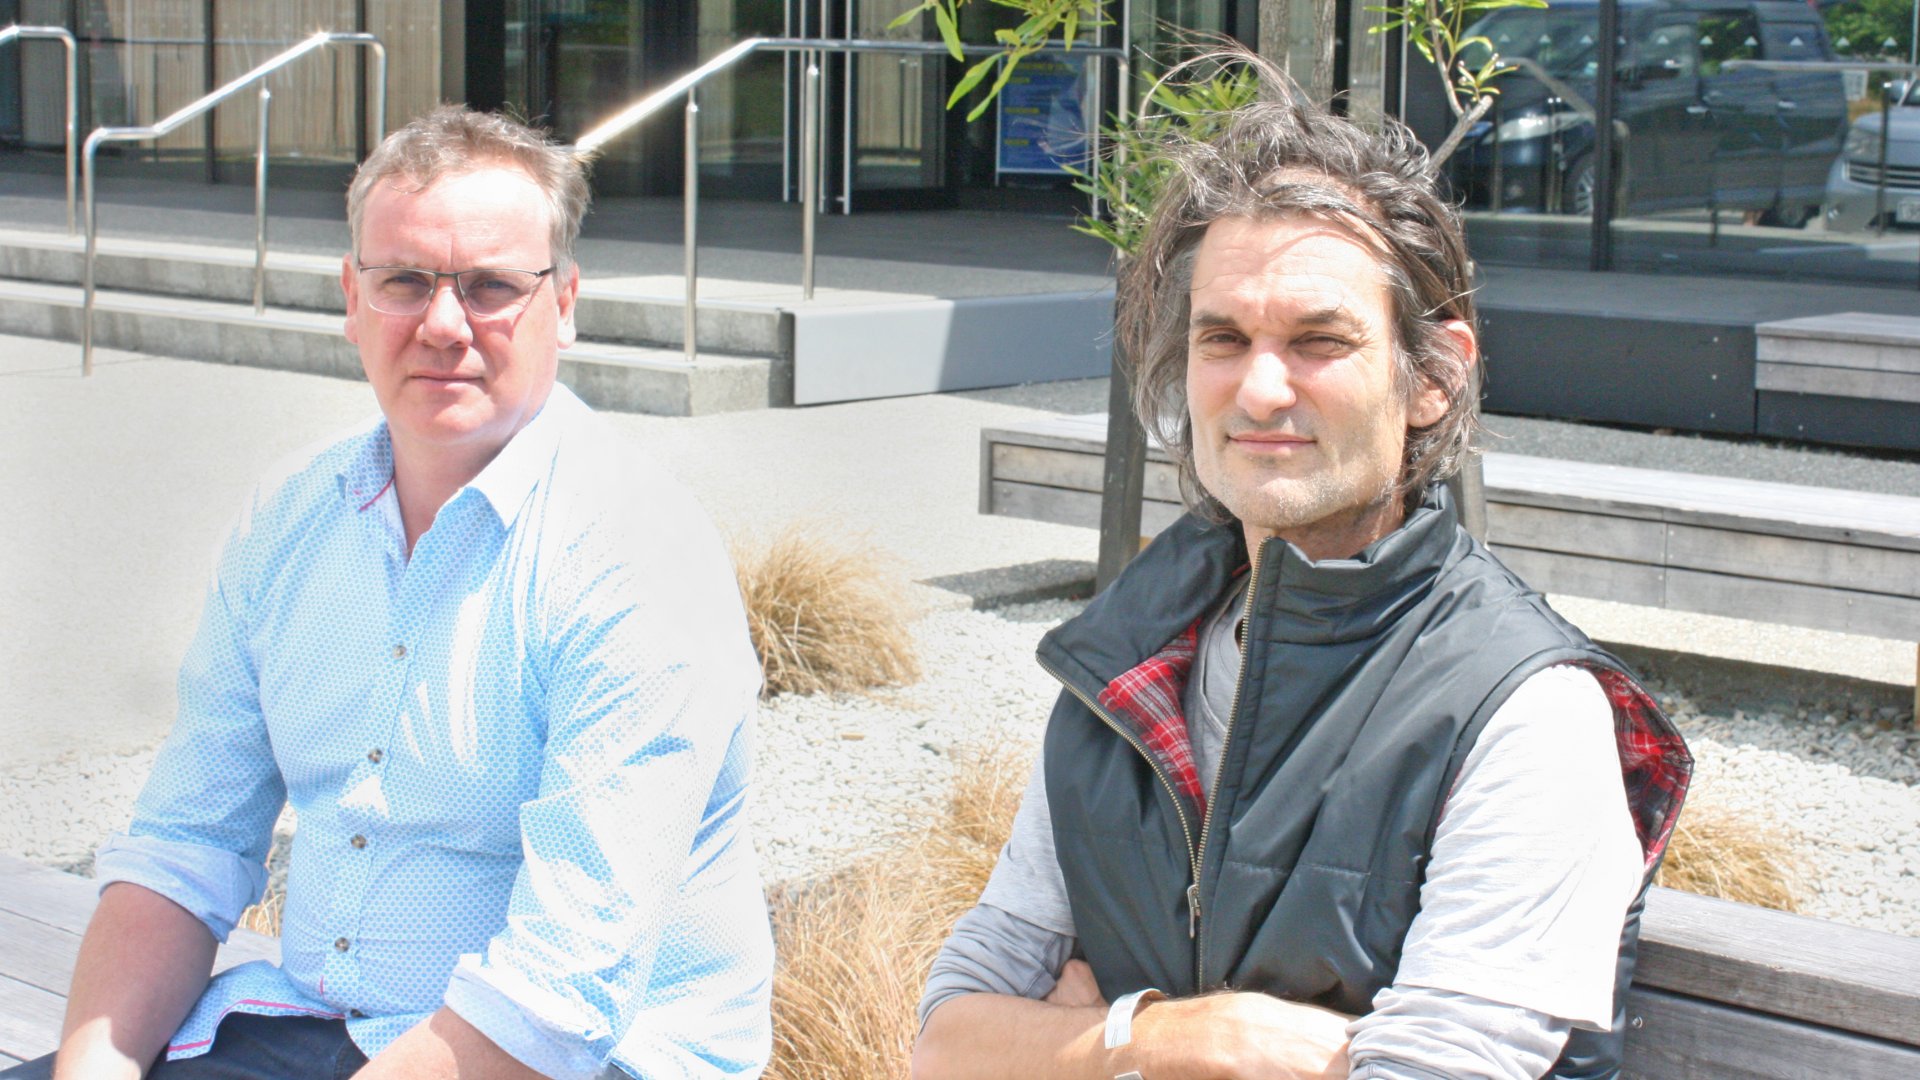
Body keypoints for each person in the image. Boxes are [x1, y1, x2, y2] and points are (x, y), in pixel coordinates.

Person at [912, 59, 1692, 1080]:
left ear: (1434, 375)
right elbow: (944, 1043)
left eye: (1319, 341)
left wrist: (1062, 1054)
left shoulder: (1522, 712)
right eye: (1223, 338)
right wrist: (1170, 1039)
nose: (1261, 388)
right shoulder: (1129, 660)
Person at [9, 106, 772, 1080]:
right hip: (321, 1030)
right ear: (352, 296)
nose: (443, 325)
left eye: (493, 286)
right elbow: (185, 848)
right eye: (405, 280)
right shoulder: (292, 521)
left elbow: (558, 994)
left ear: (566, 303)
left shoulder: (633, 560)